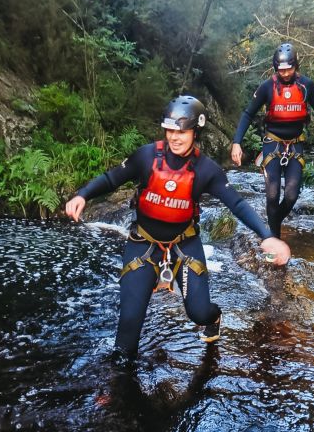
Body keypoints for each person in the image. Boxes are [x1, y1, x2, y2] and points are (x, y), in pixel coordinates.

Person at [65, 95, 290, 358]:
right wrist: (83, 194)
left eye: (182, 130)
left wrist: (267, 236)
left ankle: (213, 318)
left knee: (198, 311)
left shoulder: (208, 171)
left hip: (185, 244)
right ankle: (120, 387)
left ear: (196, 131)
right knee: (129, 324)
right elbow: (112, 177)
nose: (175, 136)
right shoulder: (146, 156)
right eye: (170, 129)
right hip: (143, 243)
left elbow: (237, 204)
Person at [230, 42, 314, 237]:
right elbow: (247, 114)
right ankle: (274, 239)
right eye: (281, 70)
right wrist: (237, 142)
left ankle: (273, 222)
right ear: (275, 67)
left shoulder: (307, 86)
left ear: (296, 66)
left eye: (289, 69)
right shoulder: (266, 87)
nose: (285, 74)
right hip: (272, 143)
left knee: (292, 196)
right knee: (272, 195)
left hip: (296, 144)